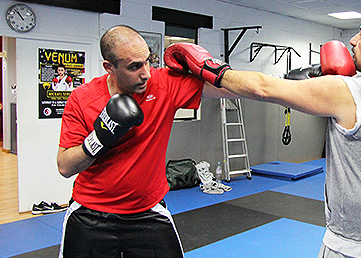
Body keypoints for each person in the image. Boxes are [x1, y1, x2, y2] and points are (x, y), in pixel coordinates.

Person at [165, 6, 361, 258]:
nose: (352, 41)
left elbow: (263, 88)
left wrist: (211, 68)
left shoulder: (351, 91)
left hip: (358, 248)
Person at [57, 25, 232, 257]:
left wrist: (212, 70)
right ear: (109, 67)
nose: (146, 73)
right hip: (89, 213)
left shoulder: (163, 84)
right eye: (134, 67)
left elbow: (237, 88)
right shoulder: (82, 98)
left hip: (147, 212)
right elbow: (65, 166)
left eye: (148, 61)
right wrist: (99, 138)